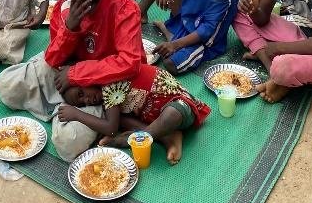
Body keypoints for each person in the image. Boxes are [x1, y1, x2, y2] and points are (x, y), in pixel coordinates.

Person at [0, 0, 145, 162]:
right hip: (66, 73)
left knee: (67, 144)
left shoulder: (124, 8)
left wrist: (76, 74)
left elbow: (130, 63)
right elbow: (53, 59)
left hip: (101, 86)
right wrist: (71, 28)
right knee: (5, 86)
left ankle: (65, 108)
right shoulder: (66, 4)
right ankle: (63, 105)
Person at [59, 61, 210, 165]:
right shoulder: (106, 99)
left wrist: (77, 114)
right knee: (120, 119)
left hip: (181, 106)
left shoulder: (108, 82)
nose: (87, 100)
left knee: (172, 113)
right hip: (154, 118)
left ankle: (133, 139)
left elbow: (111, 129)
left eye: (81, 93)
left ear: (84, 79)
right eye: (83, 104)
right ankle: (166, 137)